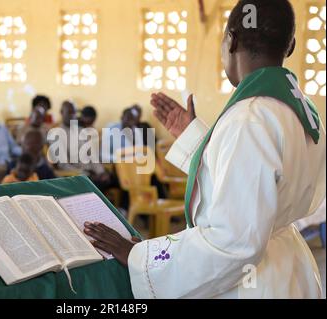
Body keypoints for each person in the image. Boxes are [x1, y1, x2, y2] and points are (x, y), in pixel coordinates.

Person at [84, 0, 326, 299]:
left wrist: (140, 255)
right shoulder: (299, 110)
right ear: (290, 47)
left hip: (252, 283)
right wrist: (195, 139)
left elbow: (233, 242)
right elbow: (259, 183)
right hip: (289, 270)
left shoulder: (249, 117)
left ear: (231, 40)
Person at [50, 101, 111, 190]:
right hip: (77, 176)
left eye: (74, 112)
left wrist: (101, 172)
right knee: (98, 185)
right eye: (69, 112)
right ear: (62, 113)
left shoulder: (81, 130)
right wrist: (86, 174)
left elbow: (92, 155)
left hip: (92, 173)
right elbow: (63, 165)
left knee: (115, 179)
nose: (73, 115)